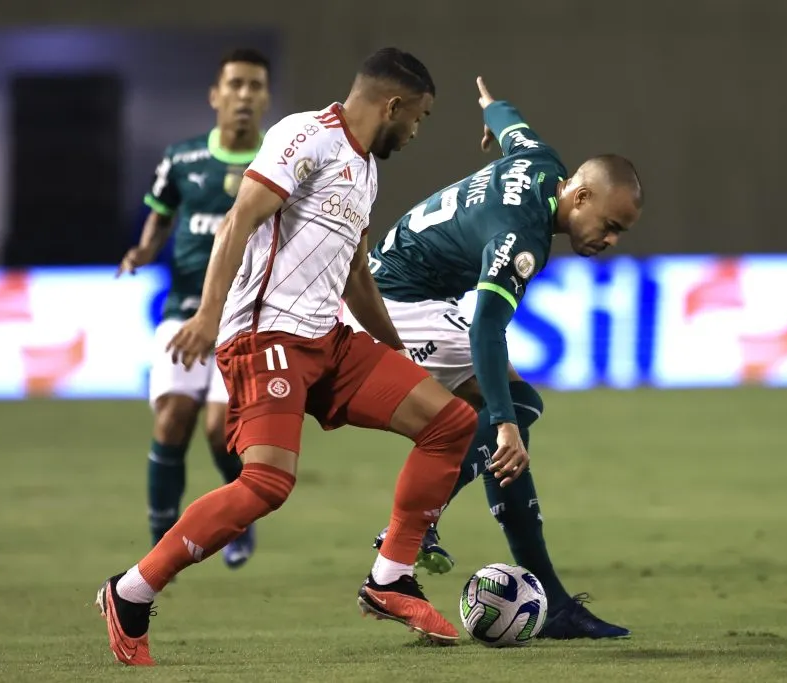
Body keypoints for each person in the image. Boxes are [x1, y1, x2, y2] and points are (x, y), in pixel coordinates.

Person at [95, 48, 521, 666]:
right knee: (267, 483)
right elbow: (237, 221)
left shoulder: (366, 170)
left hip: (328, 338)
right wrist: (209, 317)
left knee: (449, 423)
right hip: (265, 335)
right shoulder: (306, 135)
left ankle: (390, 578)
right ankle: (131, 592)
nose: (417, 130)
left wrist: (396, 351)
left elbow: (356, 274)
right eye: (420, 116)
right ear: (394, 105)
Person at [346, 76, 643, 640]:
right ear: (580, 197)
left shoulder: (541, 162)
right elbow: (486, 327)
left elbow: (515, 130)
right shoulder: (522, 237)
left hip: (405, 291)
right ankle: (415, 529)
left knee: (509, 425)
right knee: (516, 406)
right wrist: (503, 422)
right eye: (609, 226)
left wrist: (492, 108)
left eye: (620, 233)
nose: (610, 241)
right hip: (394, 304)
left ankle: (552, 603)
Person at [117, 48, 271, 569]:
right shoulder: (181, 159)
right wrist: (144, 250)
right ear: (215, 95)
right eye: (235, 84)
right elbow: (161, 213)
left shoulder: (278, 160)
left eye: (255, 86)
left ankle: (238, 520)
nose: (244, 95)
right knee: (172, 420)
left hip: (244, 314)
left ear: (266, 98)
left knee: (219, 429)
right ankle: (161, 538)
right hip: (185, 309)